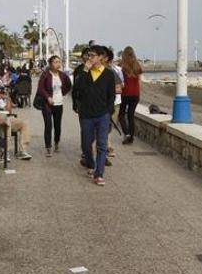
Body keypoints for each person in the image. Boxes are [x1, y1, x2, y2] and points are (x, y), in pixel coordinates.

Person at [74, 45, 116, 186]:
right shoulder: (83, 72)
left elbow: (112, 95)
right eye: (88, 55)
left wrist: (109, 111)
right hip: (86, 114)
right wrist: (85, 70)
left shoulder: (109, 74)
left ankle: (99, 174)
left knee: (102, 144)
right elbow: (78, 89)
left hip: (102, 114)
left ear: (100, 57)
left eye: (92, 55)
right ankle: (90, 164)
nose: (89, 57)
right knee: (86, 144)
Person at [36, 55, 72, 157]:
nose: (58, 64)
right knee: (48, 125)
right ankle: (48, 147)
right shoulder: (45, 75)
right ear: (50, 64)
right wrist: (48, 97)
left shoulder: (63, 75)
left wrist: (62, 93)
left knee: (57, 125)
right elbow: (40, 88)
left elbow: (69, 86)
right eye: (55, 62)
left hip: (59, 103)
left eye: (59, 62)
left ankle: (56, 142)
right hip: (47, 104)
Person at [119, 46, 143, 144]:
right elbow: (140, 82)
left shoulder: (123, 67)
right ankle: (131, 137)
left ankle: (127, 134)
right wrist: (139, 93)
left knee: (121, 115)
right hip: (135, 94)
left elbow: (121, 82)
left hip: (125, 94)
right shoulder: (138, 66)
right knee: (130, 116)